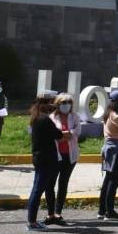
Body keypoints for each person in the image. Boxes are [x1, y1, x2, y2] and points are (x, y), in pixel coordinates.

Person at [26, 91, 64, 231]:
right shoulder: (45, 119)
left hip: (39, 157)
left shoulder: (36, 117)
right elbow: (58, 135)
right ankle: (32, 222)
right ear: (46, 103)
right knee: (38, 190)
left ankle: (32, 220)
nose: (54, 105)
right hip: (47, 159)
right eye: (52, 102)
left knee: (36, 189)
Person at [44, 93, 81, 224]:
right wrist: (66, 134)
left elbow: (77, 131)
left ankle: (58, 212)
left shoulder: (75, 116)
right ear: (58, 104)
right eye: (63, 102)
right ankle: (50, 213)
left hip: (70, 156)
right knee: (50, 184)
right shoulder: (52, 118)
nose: (66, 105)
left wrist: (64, 134)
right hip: (55, 156)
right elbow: (53, 135)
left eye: (68, 102)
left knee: (63, 183)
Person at [98, 90, 118, 220]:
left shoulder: (107, 114)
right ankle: (109, 212)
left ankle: (102, 210)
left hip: (109, 148)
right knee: (114, 181)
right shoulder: (117, 117)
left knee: (108, 180)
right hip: (117, 150)